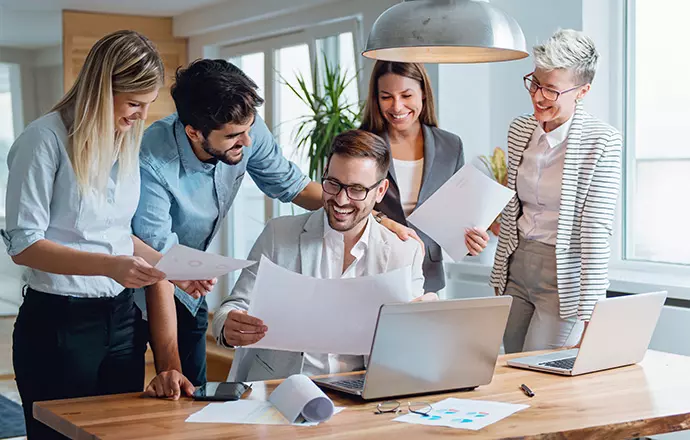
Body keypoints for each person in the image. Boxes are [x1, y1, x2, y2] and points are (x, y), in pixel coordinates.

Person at [133, 59, 418, 397]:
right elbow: (161, 265)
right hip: (141, 281)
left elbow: (293, 185)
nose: (249, 142)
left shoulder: (243, 124)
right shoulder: (153, 160)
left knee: (193, 392)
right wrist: (168, 368)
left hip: (191, 289)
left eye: (249, 128)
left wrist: (374, 217)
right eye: (235, 137)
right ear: (195, 133)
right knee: (160, 395)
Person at [2, 30, 171, 439]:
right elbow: (23, 244)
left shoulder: (123, 142)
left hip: (121, 321)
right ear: (100, 90)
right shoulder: (43, 141)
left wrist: (170, 267)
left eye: (147, 105)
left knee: (119, 433)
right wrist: (111, 266)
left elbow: (114, 234)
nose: (140, 117)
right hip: (59, 325)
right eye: (133, 103)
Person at [211, 129, 434, 382]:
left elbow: (410, 348)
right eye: (333, 184)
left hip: (363, 396)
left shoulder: (404, 252)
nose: (340, 200)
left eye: (357, 189)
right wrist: (228, 325)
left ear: (380, 191)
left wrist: (421, 326)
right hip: (282, 388)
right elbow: (232, 307)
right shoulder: (279, 234)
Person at [467, 29, 622, 353]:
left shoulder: (602, 141)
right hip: (517, 265)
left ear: (583, 91)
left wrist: (594, 315)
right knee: (509, 367)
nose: (538, 97)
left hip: (562, 278)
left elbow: (595, 229)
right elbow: (512, 205)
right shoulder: (520, 128)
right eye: (535, 83)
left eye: (551, 90)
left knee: (538, 374)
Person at [360, 61, 489, 293]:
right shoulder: (361, 144)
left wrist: (471, 242)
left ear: (423, 94)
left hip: (427, 275)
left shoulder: (450, 145)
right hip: (370, 269)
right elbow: (344, 206)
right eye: (386, 97)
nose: (397, 106)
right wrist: (382, 220)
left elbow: (457, 215)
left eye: (406, 95)